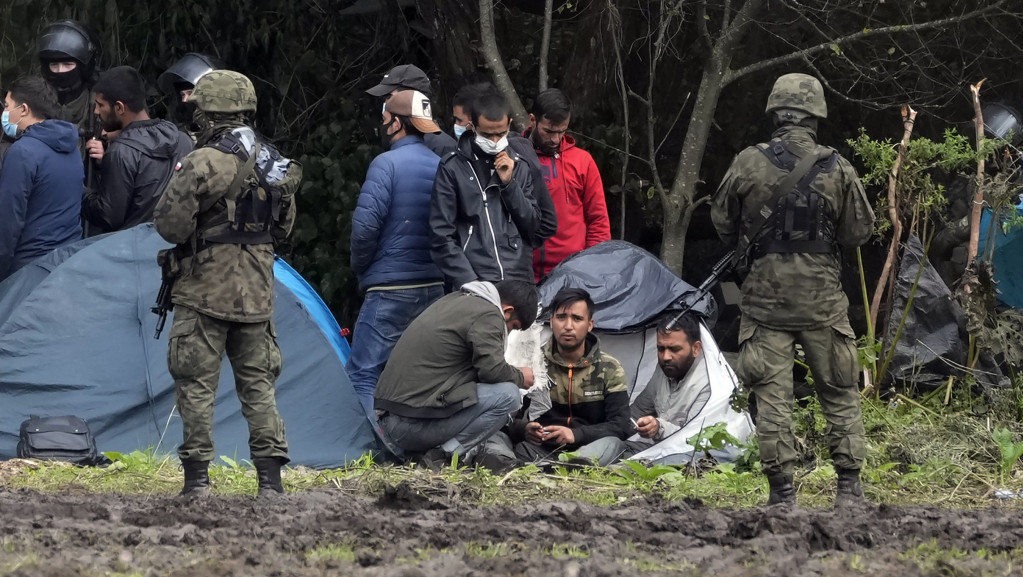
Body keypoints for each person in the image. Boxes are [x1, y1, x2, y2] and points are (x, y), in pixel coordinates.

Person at [710, 72, 875, 507]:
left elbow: (723, 224)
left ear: (775, 113)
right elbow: (859, 232)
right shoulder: (837, 166)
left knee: (772, 399)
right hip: (822, 302)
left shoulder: (748, 161)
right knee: (839, 392)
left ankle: (783, 495)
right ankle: (849, 490)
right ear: (816, 116)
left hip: (765, 303)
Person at [153, 70, 302, 498]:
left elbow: (170, 226)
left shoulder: (202, 161)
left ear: (207, 110)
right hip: (257, 292)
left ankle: (197, 482)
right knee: (259, 388)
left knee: (196, 386)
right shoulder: (275, 163)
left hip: (203, 290)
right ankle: (271, 484)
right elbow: (285, 228)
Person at [347, 89, 445, 414]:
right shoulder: (442, 165)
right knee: (416, 377)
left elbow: (364, 230)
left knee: (363, 375)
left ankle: (369, 445)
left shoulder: (385, 164)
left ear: (395, 122)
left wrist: (361, 269)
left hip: (390, 288)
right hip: (433, 287)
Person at [374, 280, 538, 464]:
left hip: (389, 418)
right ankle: (441, 456)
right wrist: (520, 376)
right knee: (509, 395)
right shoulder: (489, 314)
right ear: (507, 311)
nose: (509, 332)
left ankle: (423, 454)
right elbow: (492, 371)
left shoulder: (455, 300)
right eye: (513, 327)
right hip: (407, 426)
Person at [430, 91, 551, 289]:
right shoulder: (452, 167)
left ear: (510, 124)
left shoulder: (520, 164)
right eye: (487, 134)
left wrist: (509, 184)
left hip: (518, 279)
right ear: (473, 126)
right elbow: (441, 235)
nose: (495, 141)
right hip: (475, 279)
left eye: (501, 133)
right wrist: (468, 280)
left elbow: (533, 226)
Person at [508, 288, 629, 466]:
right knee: (504, 440)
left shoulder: (609, 367)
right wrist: (524, 429)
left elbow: (621, 425)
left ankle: (570, 465)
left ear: (590, 325)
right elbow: (508, 418)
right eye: (561, 317)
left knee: (613, 444)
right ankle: (520, 464)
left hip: (590, 448)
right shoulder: (533, 364)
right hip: (541, 449)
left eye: (577, 318)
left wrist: (575, 435)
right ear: (551, 321)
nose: (568, 326)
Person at [82, 66, 192, 235]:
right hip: (173, 246)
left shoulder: (121, 152)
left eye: (100, 105)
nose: (96, 111)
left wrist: (81, 193)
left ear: (119, 108)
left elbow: (109, 217)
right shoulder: (183, 140)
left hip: (132, 249)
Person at [0, 76, 84, 282]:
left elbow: (9, 222)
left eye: (7, 105)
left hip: (28, 269)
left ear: (24, 110)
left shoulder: (23, 152)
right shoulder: (71, 146)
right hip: (66, 262)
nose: (4, 112)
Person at [525, 89, 611, 281]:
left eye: (562, 132)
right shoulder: (514, 156)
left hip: (574, 273)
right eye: (548, 131)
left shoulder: (583, 161)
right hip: (523, 272)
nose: (555, 139)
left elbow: (598, 221)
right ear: (533, 120)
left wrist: (591, 268)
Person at [623, 313, 709, 459]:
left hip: (687, 456)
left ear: (696, 348)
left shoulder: (708, 383)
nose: (665, 357)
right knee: (610, 444)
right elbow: (637, 412)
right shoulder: (663, 371)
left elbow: (695, 439)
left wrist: (658, 427)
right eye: (660, 349)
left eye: (674, 349)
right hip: (655, 448)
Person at [365, 64, 457, 157]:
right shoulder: (395, 139)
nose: (385, 103)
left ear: (412, 96)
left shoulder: (442, 146)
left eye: (389, 97)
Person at [37, 20, 100, 142]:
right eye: (54, 64)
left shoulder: (98, 100)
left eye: (68, 64)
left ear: (83, 67)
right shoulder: (37, 97)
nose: (60, 70)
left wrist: (103, 148)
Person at [157, 53, 224, 135]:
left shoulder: (227, 131)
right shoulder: (177, 134)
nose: (184, 100)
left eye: (191, 93)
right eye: (182, 95)